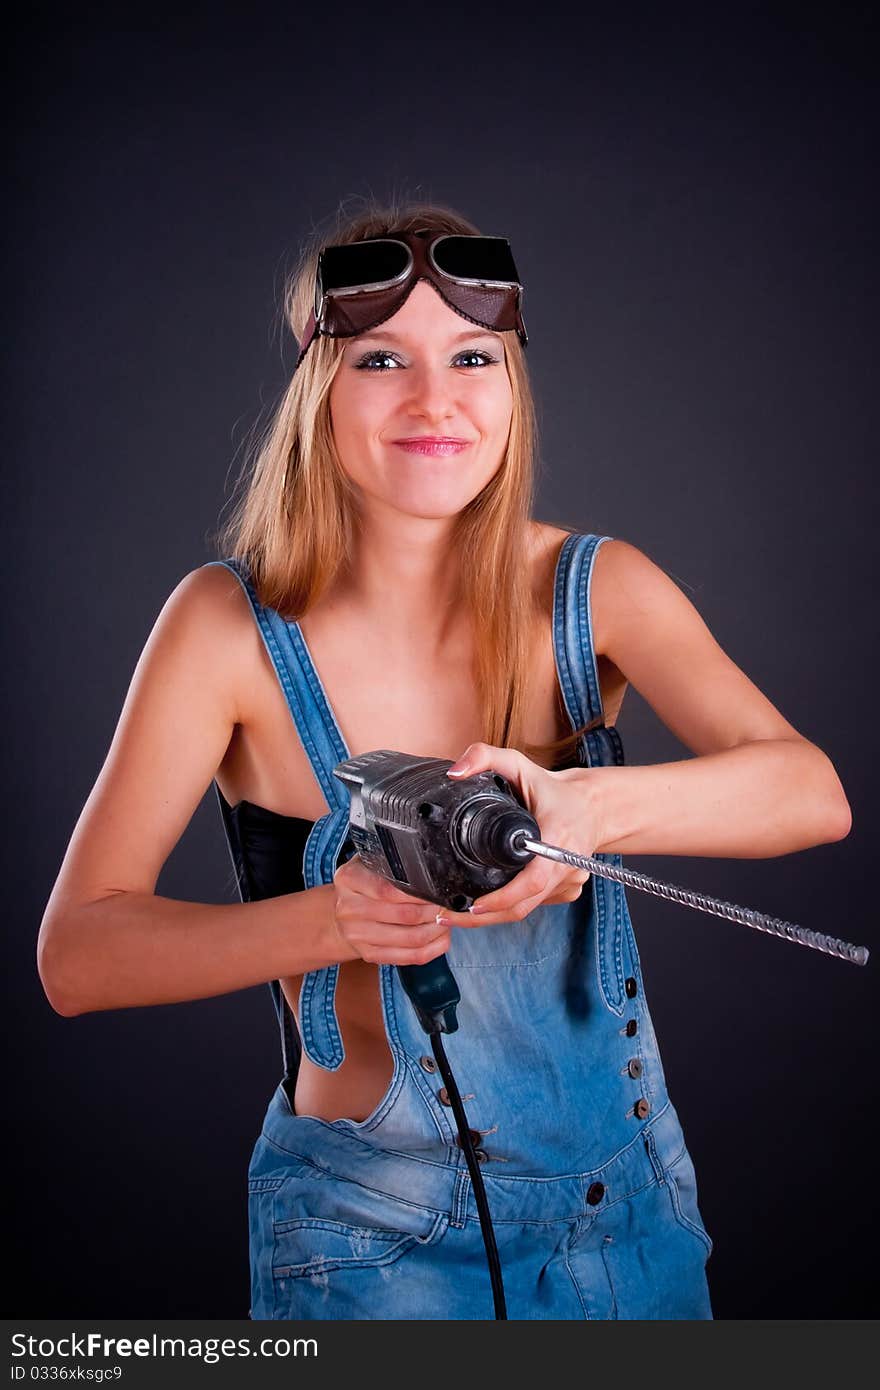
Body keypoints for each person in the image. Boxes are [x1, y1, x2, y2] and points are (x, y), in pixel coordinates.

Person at [37, 198, 852, 1321]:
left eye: (473, 356)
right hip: (367, 1237)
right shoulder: (225, 629)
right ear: (320, 387)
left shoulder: (595, 586)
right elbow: (77, 956)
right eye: (382, 359)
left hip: (623, 1217)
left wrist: (586, 807)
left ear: (512, 385)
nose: (434, 399)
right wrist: (334, 920)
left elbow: (809, 792)